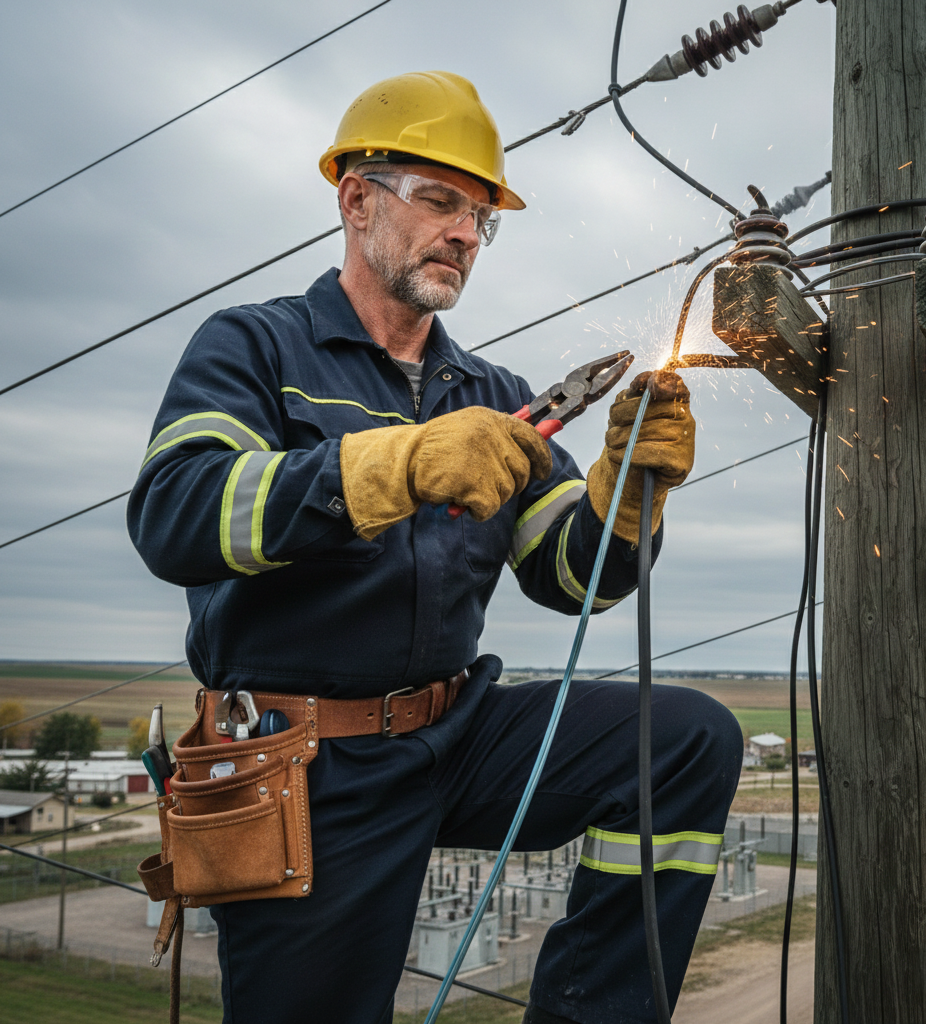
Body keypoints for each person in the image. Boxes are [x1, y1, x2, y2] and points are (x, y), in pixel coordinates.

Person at [128, 70, 742, 1024]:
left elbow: (573, 580)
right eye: (441, 200)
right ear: (355, 197)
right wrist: (391, 468)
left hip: (455, 733)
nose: (464, 232)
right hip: (306, 767)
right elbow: (175, 514)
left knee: (685, 741)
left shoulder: (493, 395)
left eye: (481, 216)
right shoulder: (254, 348)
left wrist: (626, 501)